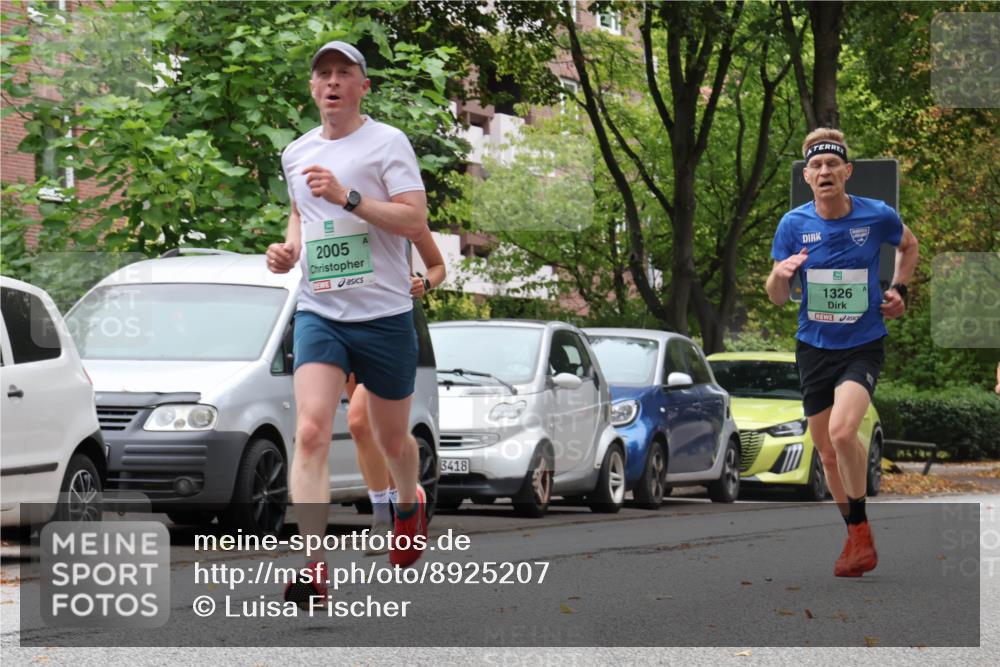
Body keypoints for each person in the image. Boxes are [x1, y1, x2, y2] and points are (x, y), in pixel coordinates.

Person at [267, 40, 431, 608]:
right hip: (320, 310)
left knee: (391, 439)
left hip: (384, 315)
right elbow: (300, 216)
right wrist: (288, 251)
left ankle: (408, 504)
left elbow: (414, 219)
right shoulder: (295, 153)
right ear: (313, 89)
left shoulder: (388, 143)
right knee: (310, 431)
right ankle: (313, 564)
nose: (332, 82)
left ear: (363, 87)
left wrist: (349, 196)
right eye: (323, 75)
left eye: (344, 73)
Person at [766, 128, 919, 578]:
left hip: (863, 344)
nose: (825, 171)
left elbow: (908, 246)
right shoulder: (793, 225)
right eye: (816, 165)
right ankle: (857, 533)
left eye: (833, 164)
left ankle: (858, 532)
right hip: (813, 346)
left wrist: (899, 289)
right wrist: (781, 273)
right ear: (808, 177)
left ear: (847, 172)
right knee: (827, 454)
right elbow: (776, 296)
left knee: (842, 431)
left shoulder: (877, 216)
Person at [346, 233, 446, 556]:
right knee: (362, 427)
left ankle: (395, 509)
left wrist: (424, 284)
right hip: (343, 322)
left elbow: (438, 266)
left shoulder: (400, 207)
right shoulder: (329, 208)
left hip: (390, 328)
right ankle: (385, 512)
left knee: (370, 421)